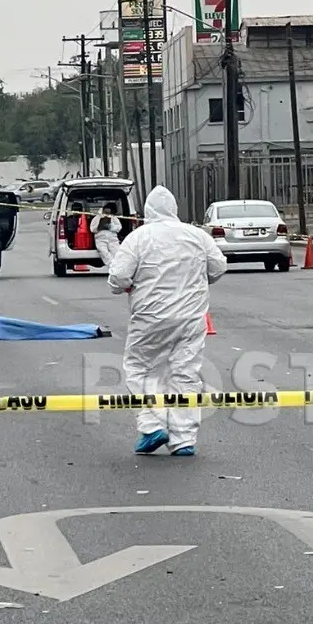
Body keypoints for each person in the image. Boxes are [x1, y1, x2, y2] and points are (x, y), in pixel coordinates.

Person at [108, 185, 227, 457]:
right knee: (185, 374)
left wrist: (130, 284)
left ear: (148, 211)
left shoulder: (138, 238)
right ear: (174, 209)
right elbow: (218, 267)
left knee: (141, 369)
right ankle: (184, 439)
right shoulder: (197, 235)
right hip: (190, 318)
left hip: (150, 317)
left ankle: (152, 426)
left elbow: (118, 279)